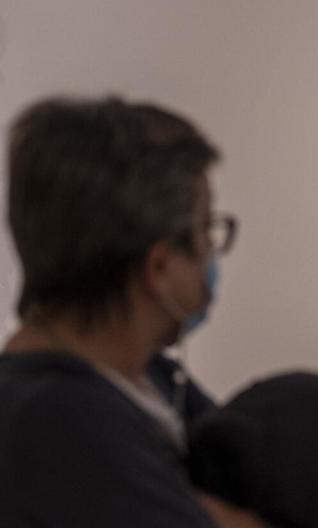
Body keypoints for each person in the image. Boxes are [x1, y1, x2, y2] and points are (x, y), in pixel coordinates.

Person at [0, 97, 261, 527]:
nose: (212, 255)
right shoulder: (55, 420)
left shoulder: (151, 376)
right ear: (158, 267)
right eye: (205, 229)